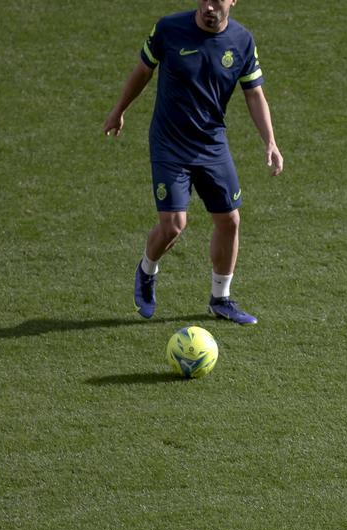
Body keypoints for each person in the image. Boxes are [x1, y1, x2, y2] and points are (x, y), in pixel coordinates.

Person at [104, 0, 283, 325]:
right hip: (169, 143)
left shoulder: (242, 41)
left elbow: (254, 93)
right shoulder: (169, 29)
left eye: (217, 0)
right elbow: (143, 71)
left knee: (230, 220)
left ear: (232, 1)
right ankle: (147, 269)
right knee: (174, 224)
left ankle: (221, 298)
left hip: (211, 143)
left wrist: (269, 141)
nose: (208, 6)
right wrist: (119, 110)